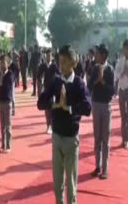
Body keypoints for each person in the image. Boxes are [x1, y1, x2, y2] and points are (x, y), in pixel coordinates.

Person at [38, 45, 92, 204]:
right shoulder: (55, 81)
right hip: (56, 137)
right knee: (57, 184)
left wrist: (68, 107)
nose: (61, 65)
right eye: (59, 61)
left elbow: (87, 108)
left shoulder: (79, 84)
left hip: (71, 139)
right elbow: (40, 103)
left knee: (71, 185)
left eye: (65, 62)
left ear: (74, 62)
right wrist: (54, 105)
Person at [88, 44, 115, 179]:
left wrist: (103, 83)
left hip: (106, 106)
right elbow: (88, 86)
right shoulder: (94, 69)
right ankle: (97, 166)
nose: (96, 55)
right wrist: (95, 81)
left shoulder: (110, 70)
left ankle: (105, 169)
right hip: (96, 104)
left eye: (98, 53)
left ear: (103, 55)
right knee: (97, 137)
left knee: (106, 137)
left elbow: (113, 91)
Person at [0, 55, 14, 153]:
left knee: (8, 125)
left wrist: (1, 81)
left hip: (7, 101)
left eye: (4, 63)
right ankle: (3, 145)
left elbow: (7, 86)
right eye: (1, 63)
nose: (2, 64)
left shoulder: (10, 74)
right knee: (2, 126)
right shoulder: (0, 74)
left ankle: (9, 146)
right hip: (0, 101)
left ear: (8, 64)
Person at [38, 49, 60, 134]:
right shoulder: (43, 65)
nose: (48, 57)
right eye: (47, 55)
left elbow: (59, 74)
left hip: (53, 90)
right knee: (47, 108)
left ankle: (54, 125)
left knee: (53, 108)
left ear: (52, 57)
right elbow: (38, 75)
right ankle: (48, 126)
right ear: (45, 56)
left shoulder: (54, 66)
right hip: (46, 89)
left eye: (50, 55)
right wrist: (41, 81)